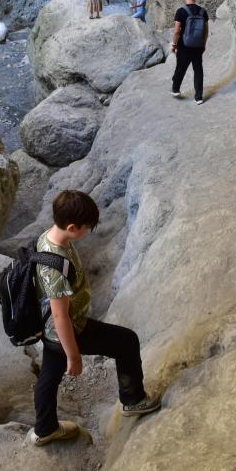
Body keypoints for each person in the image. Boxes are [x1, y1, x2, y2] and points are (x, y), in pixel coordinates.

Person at [30, 190, 161, 446]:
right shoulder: (55, 266)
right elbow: (60, 316)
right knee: (126, 342)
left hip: (48, 327)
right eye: (86, 228)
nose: (88, 231)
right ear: (71, 227)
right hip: (67, 329)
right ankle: (133, 400)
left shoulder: (48, 238)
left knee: (49, 376)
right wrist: (74, 355)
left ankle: (44, 429)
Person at [171, 0, 209, 105]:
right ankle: (198, 97)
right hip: (198, 46)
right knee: (198, 70)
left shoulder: (181, 11)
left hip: (184, 46)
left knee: (180, 68)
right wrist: (203, 44)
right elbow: (206, 31)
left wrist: (174, 44)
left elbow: (177, 31)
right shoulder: (203, 11)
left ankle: (176, 89)